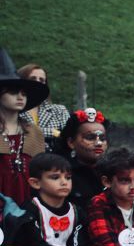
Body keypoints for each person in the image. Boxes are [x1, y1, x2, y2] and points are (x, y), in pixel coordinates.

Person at [0, 48, 49, 208]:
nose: (20, 97)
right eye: (13, 92)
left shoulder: (34, 132)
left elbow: (42, 172)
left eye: (24, 93)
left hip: (28, 203)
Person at [59, 108, 109, 213]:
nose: (98, 143)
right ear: (71, 142)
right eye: (90, 138)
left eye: (103, 138)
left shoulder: (113, 170)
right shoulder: (62, 173)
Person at [17, 63, 69, 146]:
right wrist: (54, 132)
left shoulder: (59, 110)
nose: (38, 82)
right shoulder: (12, 110)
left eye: (41, 80)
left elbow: (68, 136)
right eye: (33, 78)